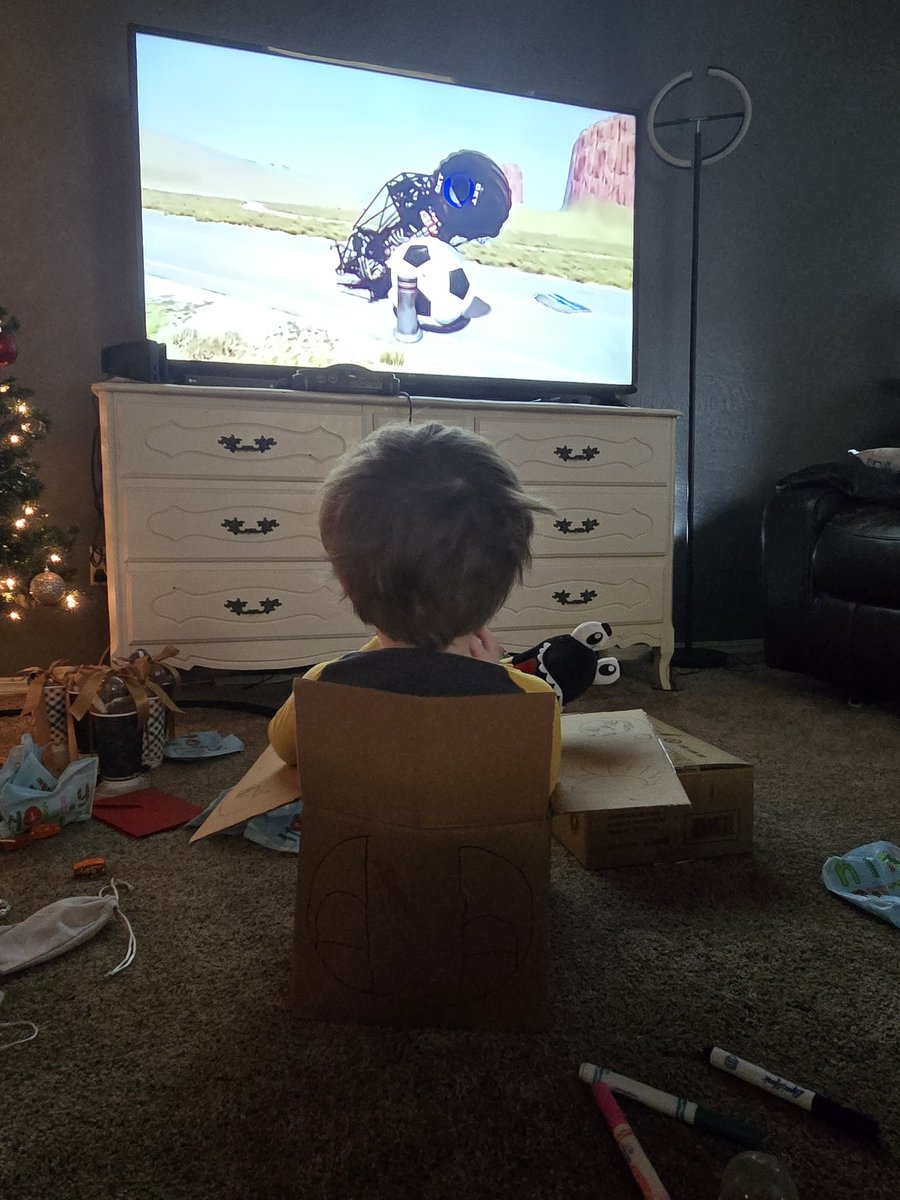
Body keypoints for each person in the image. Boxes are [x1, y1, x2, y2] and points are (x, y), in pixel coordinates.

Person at [267, 420, 563, 791]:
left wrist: (377, 648)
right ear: (505, 576)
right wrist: (490, 679)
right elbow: (542, 785)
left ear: (348, 580)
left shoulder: (323, 685)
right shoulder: (529, 698)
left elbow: (283, 745)